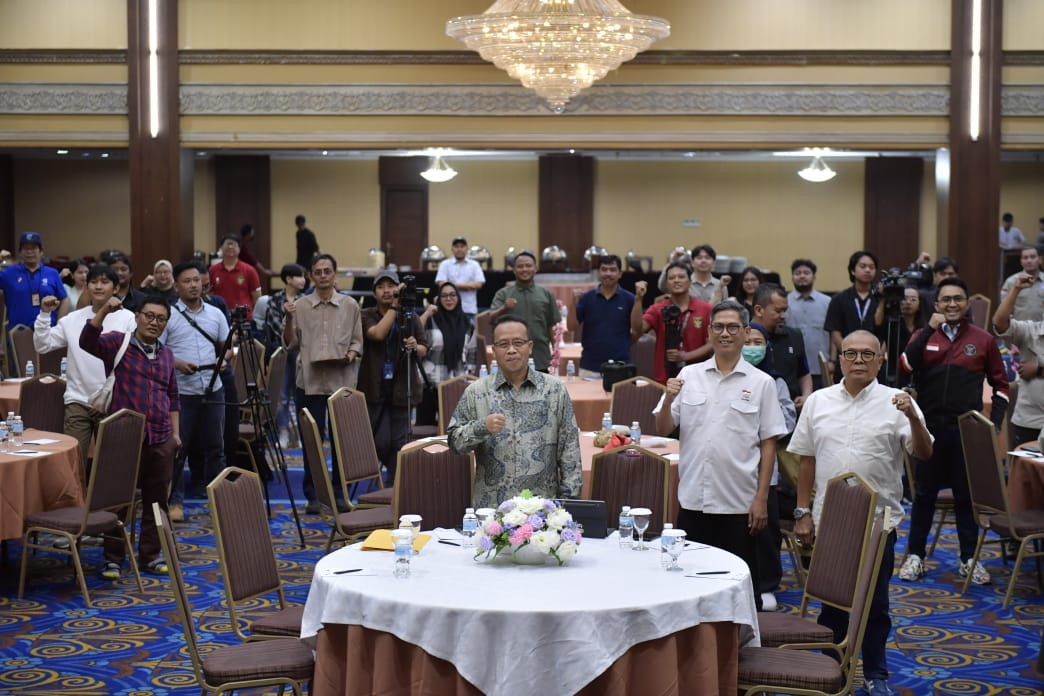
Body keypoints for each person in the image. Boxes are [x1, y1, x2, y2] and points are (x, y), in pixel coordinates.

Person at [789, 330, 933, 696]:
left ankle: (876, 674)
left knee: (875, 606)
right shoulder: (818, 401)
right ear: (838, 358)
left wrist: (913, 417)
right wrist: (802, 511)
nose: (858, 360)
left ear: (881, 360)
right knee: (832, 606)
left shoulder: (897, 402)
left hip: (877, 523)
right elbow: (806, 461)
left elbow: (924, 452)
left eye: (867, 355)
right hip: (829, 520)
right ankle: (830, 671)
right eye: (850, 353)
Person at [654, 299, 788, 611]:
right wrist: (667, 396)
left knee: (738, 589)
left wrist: (761, 499)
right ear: (710, 333)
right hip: (694, 499)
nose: (724, 333)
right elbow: (663, 427)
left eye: (732, 328)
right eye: (718, 327)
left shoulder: (761, 383)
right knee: (690, 586)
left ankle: (740, 653)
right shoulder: (689, 375)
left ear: (744, 332)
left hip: (738, 503)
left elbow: (769, 444)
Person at [898, 277, 1009, 586]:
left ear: (966, 303)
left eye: (957, 299)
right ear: (936, 305)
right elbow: (905, 367)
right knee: (923, 495)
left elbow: (1001, 385)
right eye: (945, 299)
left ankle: (968, 558)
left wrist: (994, 424)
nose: (951, 304)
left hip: (965, 432)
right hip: (928, 429)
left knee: (965, 496)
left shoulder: (983, 339)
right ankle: (915, 556)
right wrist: (928, 331)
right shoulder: (924, 335)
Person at [80, 294, 180, 580]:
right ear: (137, 316)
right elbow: (87, 341)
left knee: (156, 501)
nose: (154, 322)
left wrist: (176, 434)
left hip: (160, 437)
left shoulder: (167, 354)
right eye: (149, 315)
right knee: (117, 501)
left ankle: (151, 555)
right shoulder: (117, 342)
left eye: (161, 319)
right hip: (123, 438)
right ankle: (113, 559)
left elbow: (173, 397)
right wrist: (103, 312)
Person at [448, 314, 581, 508]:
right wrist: (480, 427)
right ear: (494, 350)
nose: (511, 350)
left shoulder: (554, 390)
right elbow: (454, 444)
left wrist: (569, 507)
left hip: (542, 511)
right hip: (492, 512)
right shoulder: (476, 392)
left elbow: (570, 453)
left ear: (530, 347)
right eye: (503, 344)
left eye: (518, 343)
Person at [284, 253, 362, 514]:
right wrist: (288, 318)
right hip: (309, 382)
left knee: (341, 441)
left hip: (342, 382)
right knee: (312, 442)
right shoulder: (301, 305)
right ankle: (314, 495)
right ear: (311, 276)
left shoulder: (350, 305)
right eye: (318, 271)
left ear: (335, 274)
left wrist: (351, 354)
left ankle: (340, 493)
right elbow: (290, 344)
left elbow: (357, 341)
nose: (323, 275)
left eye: (328, 271)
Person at [34, 263, 136, 463]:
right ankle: (76, 495)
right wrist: (45, 314)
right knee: (74, 460)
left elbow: (129, 361)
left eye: (105, 282)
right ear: (87, 286)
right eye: (94, 282)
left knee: (112, 462)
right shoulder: (73, 319)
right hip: (78, 400)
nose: (98, 286)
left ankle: (107, 496)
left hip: (113, 400)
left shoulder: (128, 319)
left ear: (115, 288)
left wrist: (107, 394)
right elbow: (43, 345)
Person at [162, 261, 230, 523]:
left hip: (214, 389)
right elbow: (158, 352)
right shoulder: (168, 315)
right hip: (181, 393)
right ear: (177, 286)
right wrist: (177, 364)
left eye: (196, 280)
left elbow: (227, 348)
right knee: (179, 448)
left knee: (216, 448)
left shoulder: (216, 314)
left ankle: (218, 501)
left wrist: (225, 361)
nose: (193, 285)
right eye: (187, 281)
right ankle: (175, 501)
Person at [744, 321, 797, 612]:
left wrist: (757, 429)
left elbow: (787, 420)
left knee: (766, 531)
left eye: (757, 342)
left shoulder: (775, 381)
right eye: (747, 341)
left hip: (767, 467)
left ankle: (766, 585)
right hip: (731, 467)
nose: (752, 348)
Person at [359, 269, 428, 483]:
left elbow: (425, 347)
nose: (387, 291)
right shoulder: (366, 314)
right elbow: (377, 334)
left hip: (402, 387)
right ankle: (394, 480)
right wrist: (395, 307)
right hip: (374, 387)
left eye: (391, 286)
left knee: (399, 442)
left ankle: (394, 487)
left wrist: (416, 347)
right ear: (374, 292)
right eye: (381, 287)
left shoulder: (410, 315)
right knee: (380, 442)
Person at [632, 261, 712, 384]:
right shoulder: (657, 309)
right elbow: (637, 329)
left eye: (681, 277)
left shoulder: (705, 309)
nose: (676, 280)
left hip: (698, 380)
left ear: (690, 281)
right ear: (667, 283)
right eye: (671, 278)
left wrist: (685, 356)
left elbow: (712, 344)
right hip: (665, 379)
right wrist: (638, 299)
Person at [992, 271, 1044, 446]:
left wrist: (1038, 369)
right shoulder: (1031, 331)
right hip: (1028, 420)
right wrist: (1016, 289)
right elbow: (999, 322)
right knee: (1025, 472)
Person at [416, 281, 475, 426]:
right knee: (426, 428)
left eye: (452, 295)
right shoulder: (431, 320)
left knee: (454, 427)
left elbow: (471, 355)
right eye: (444, 296)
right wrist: (427, 312)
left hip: (456, 383)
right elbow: (414, 331)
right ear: (439, 300)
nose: (449, 299)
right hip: (430, 383)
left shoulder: (467, 324)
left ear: (458, 298)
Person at [490, 251, 559, 372]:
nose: (524, 269)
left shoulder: (546, 294)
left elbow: (552, 326)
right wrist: (504, 308)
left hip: (541, 356)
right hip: (511, 357)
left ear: (535, 268)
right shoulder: (503, 294)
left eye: (528, 266)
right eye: (520, 266)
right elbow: (491, 319)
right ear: (514, 270)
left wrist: (555, 350)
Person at [574, 254, 639, 378]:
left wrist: (624, 344)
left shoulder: (630, 299)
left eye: (613, 270)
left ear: (620, 274)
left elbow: (637, 331)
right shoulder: (587, 298)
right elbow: (572, 326)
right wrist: (573, 303)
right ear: (598, 273)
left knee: (621, 398)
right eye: (604, 269)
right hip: (590, 367)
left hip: (621, 366)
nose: (608, 273)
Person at [751, 283, 812, 407]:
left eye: (785, 310)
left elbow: (804, 373)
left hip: (789, 410)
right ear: (759, 310)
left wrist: (806, 396)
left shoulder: (794, 336)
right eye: (778, 311)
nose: (783, 316)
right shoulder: (741, 337)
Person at [824, 250, 880, 379]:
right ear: (853, 270)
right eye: (863, 266)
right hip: (846, 361)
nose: (867, 270)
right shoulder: (839, 299)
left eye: (871, 267)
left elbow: (884, 334)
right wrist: (850, 354)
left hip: (874, 362)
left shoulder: (880, 299)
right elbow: (835, 333)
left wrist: (876, 357)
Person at [0, 231, 69, 332]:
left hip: (48, 331)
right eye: (25, 248)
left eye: (33, 248)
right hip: (18, 332)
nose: (29, 252)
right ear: (20, 252)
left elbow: (64, 299)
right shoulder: (9, 273)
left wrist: (59, 325)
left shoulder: (52, 273)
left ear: (41, 252)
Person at [787, 258, 831, 389]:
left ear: (814, 277)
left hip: (820, 366)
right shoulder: (784, 301)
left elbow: (833, 332)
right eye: (797, 273)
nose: (802, 276)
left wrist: (832, 360)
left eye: (806, 273)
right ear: (792, 277)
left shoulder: (827, 302)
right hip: (793, 366)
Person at [873, 286, 924, 388]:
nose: (908, 302)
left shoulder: (924, 327)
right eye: (904, 299)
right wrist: (884, 298)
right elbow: (877, 323)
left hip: (917, 373)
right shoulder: (891, 323)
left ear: (919, 305)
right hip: (893, 372)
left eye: (913, 299)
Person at [209, 233, 261, 321]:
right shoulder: (212, 270)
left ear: (239, 249)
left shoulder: (249, 270)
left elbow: (257, 297)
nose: (230, 247)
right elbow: (209, 295)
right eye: (227, 244)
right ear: (221, 248)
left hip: (244, 318)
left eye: (233, 244)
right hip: (219, 317)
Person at [435, 236, 485, 322]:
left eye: (462, 246)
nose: (459, 249)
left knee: (469, 335)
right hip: (448, 309)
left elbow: (478, 284)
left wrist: (451, 285)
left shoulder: (474, 265)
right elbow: (441, 284)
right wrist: (468, 286)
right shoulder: (445, 264)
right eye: (456, 246)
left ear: (467, 249)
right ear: (452, 249)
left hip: (468, 309)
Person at [655, 244, 724, 304]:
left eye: (707, 258)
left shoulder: (721, 285)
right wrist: (671, 262)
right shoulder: (684, 282)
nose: (703, 261)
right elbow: (663, 287)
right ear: (692, 263)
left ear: (714, 263)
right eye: (699, 258)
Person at [1000, 245, 1044, 323]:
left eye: (1033, 257)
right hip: (1019, 332)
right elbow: (1004, 310)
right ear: (1021, 261)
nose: (1029, 260)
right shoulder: (1011, 282)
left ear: (1040, 260)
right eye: (1025, 258)